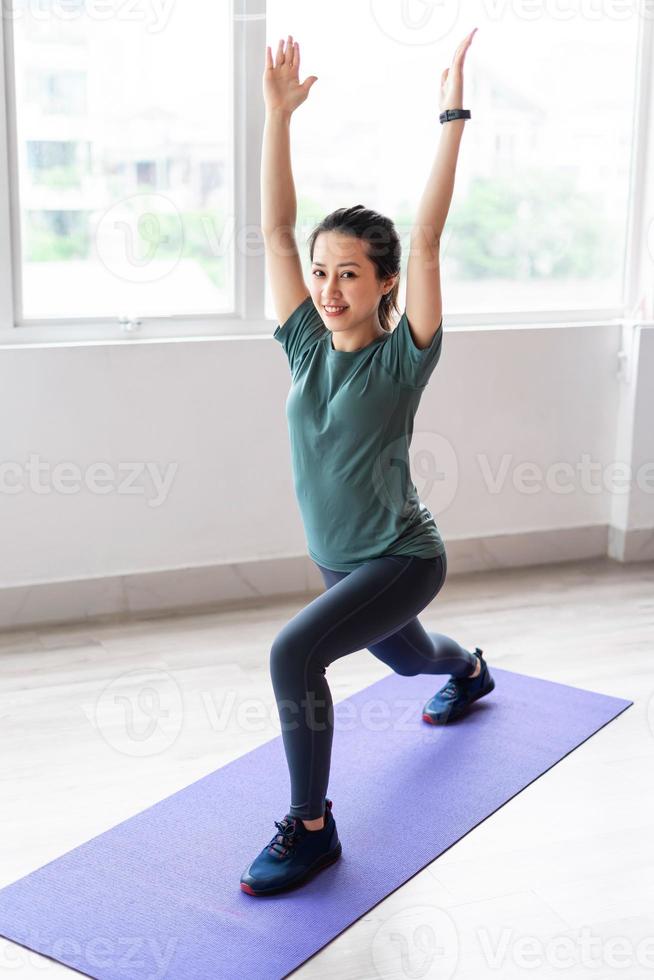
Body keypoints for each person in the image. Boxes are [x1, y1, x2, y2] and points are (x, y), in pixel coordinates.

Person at [240, 28, 494, 898]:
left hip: (401, 558)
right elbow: (273, 227)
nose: (327, 287)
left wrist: (452, 114)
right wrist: (276, 116)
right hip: (340, 561)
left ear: (384, 283)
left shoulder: (401, 356)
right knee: (417, 661)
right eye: (320, 272)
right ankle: (469, 669)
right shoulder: (305, 343)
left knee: (292, 655)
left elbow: (426, 240)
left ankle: (311, 829)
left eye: (349, 274)